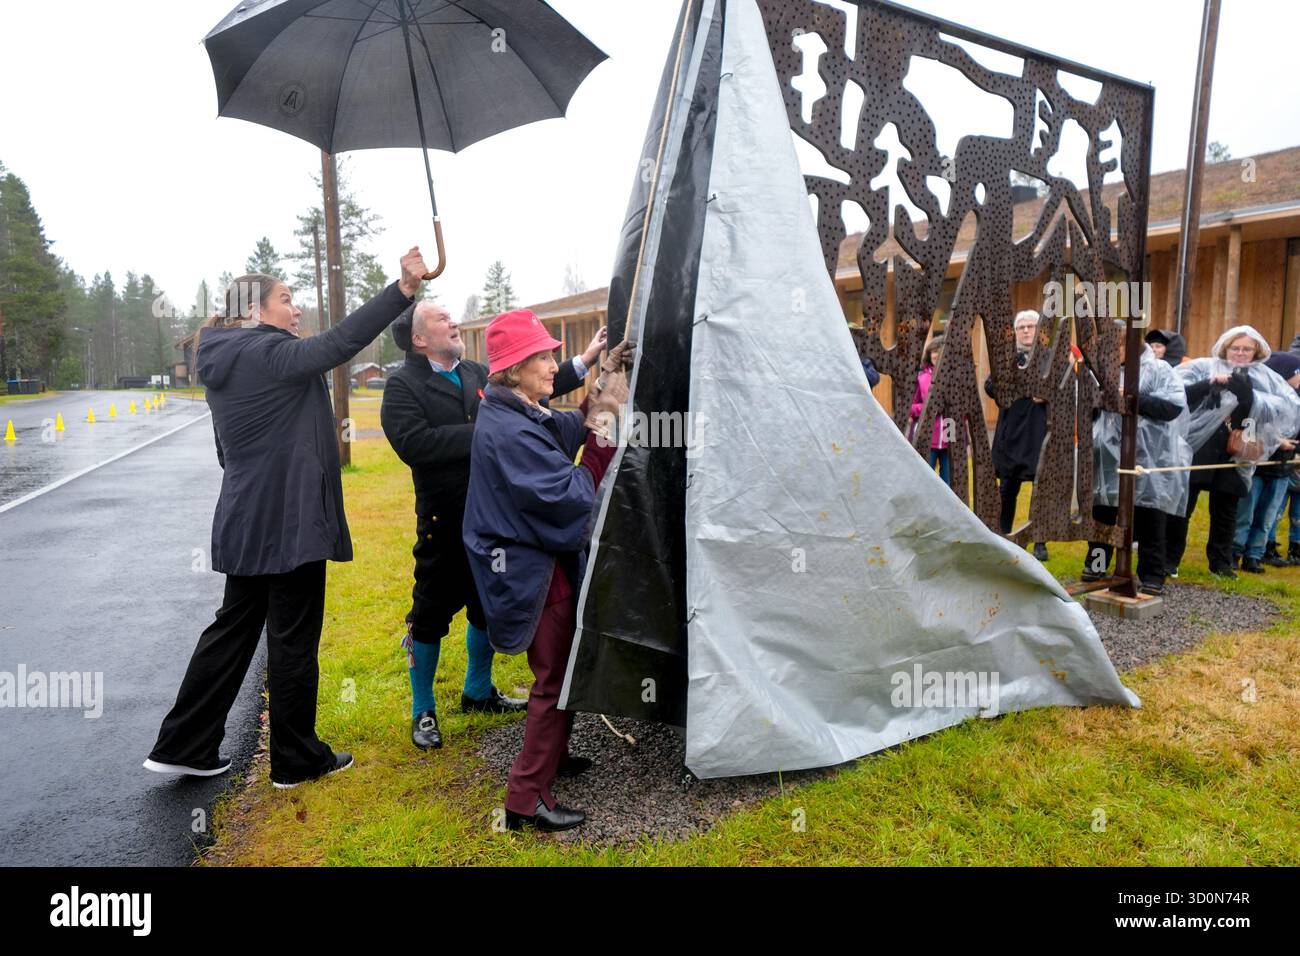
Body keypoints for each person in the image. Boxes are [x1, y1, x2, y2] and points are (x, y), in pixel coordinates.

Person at [145, 247, 429, 788]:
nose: (295, 310)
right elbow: (341, 343)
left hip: (247, 519)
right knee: (293, 639)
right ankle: (296, 760)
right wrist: (402, 290)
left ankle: (184, 744)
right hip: (289, 525)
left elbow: (227, 451)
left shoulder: (224, 356)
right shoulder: (265, 352)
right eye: (286, 298)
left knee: (231, 632)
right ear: (254, 309)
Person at [380, 299, 608, 749]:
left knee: (485, 603)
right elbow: (415, 443)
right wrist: (494, 432)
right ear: (419, 338)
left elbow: (522, 383)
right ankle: (423, 709)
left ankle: (478, 691)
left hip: (495, 517)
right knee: (429, 614)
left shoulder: (475, 374)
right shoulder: (402, 386)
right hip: (444, 518)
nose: (455, 322)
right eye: (444, 319)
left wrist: (583, 364)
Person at [463, 310, 634, 832]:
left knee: (562, 671)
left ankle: (552, 761)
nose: (554, 364)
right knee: (554, 678)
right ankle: (524, 797)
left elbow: (566, 428)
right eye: (543, 357)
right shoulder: (509, 431)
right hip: (529, 570)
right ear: (515, 369)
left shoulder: (517, 411)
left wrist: (600, 385)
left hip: (537, 561)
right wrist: (606, 422)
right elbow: (574, 496)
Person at [1166, 325, 1300, 578]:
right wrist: (1208, 385)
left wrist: (1249, 396)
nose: (1240, 352)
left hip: (1236, 449)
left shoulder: (1266, 377)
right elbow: (1176, 392)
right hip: (1200, 447)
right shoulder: (1203, 367)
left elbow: (1283, 408)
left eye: (1246, 348)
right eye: (1235, 347)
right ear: (1225, 347)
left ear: (1256, 351)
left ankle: (1221, 563)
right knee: (1183, 506)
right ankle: (1169, 560)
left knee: (1226, 510)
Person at [1082, 329, 1190, 595]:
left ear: (1130, 346)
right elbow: (1083, 408)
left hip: (1149, 456)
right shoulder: (1097, 372)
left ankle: (1152, 575)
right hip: (1107, 457)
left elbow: (1173, 407)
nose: (1109, 355)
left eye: (1114, 348)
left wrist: (1132, 398)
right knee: (1103, 513)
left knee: (1150, 515)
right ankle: (1097, 565)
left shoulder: (1159, 370)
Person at [985, 309, 1049, 560]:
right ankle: (1004, 536)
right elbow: (990, 386)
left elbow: (1065, 388)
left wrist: (1047, 395)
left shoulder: (1049, 357)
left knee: (1041, 490)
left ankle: (1039, 542)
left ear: (1038, 329)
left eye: (1030, 326)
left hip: (1039, 432)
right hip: (1011, 433)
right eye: (1021, 327)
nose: (1025, 330)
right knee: (1007, 490)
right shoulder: (1006, 358)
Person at [1252, 351, 1300, 568]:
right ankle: (1260, 548)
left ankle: (1284, 547)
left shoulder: (1295, 397)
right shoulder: (1269, 398)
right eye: (1297, 373)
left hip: (1288, 463)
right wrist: (1278, 442)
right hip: (1267, 464)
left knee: (1280, 511)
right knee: (1265, 510)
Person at [909, 334, 950, 485]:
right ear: (929, 354)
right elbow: (911, 408)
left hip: (949, 426)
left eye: (941, 351)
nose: (937, 355)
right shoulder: (921, 377)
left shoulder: (955, 376)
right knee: (926, 481)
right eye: (934, 351)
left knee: (948, 482)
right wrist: (929, 407)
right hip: (928, 431)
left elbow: (963, 409)